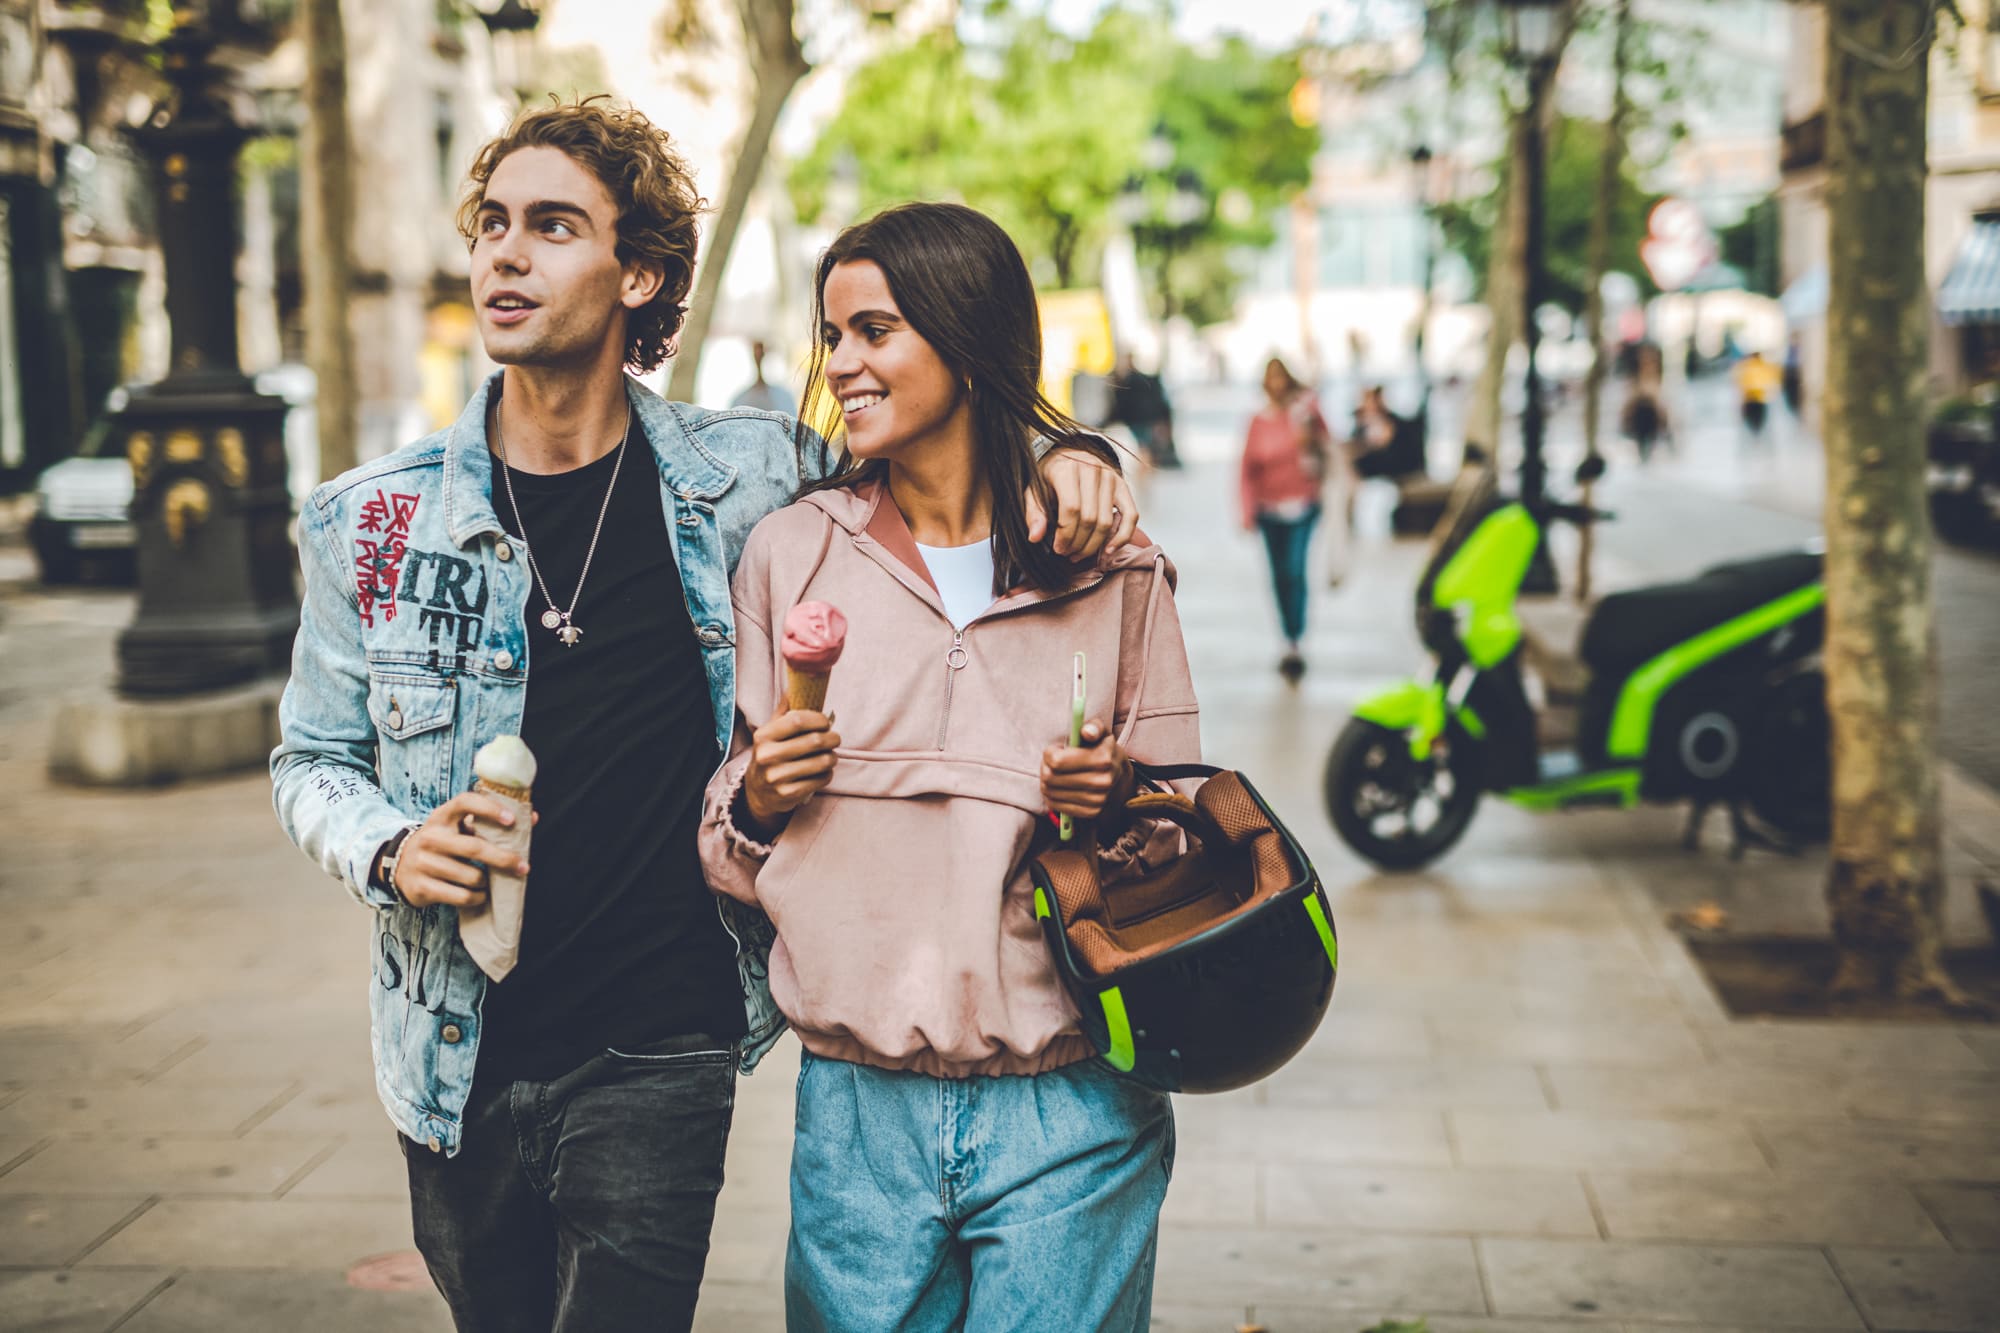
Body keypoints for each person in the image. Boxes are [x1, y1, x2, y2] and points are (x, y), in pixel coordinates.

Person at [269, 100, 1140, 1333]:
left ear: (640, 274)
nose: (503, 256)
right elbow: (310, 759)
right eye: (492, 225)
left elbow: (941, 451)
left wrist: (1077, 451)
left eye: (552, 226)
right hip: (450, 1047)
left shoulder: (755, 481)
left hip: (660, 1038)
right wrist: (389, 846)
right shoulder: (371, 521)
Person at [699, 201, 1200, 1332]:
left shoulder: (1112, 568)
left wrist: (1115, 796)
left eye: (873, 331)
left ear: (964, 338)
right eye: (832, 337)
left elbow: (1182, 835)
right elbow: (723, 841)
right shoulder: (792, 553)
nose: (841, 367)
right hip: (855, 1114)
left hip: (1072, 1104)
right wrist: (763, 796)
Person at [1241, 357, 1329, 680]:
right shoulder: (1258, 421)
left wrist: (1309, 414)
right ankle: (1287, 638)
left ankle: (1297, 636)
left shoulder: (1303, 412)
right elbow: (1246, 469)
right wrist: (1246, 510)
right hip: (1269, 510)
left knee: (1295, 570)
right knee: (1278, 576)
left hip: (1303, 505)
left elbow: (1327, 440)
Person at [1102, 351, 1180, 469]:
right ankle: (1144, 478)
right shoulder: (1128, 380)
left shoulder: (1130, 381)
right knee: (1144, 449)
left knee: (1143, 450)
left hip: (1138, 421)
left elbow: (1122, 405)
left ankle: (1144, 478)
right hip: (1140, 421)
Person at [731, 337, 796, 415]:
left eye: (760, 351)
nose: (758, 355)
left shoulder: (783, 397)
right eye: (756, 351)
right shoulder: (739, 400)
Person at [1736, 348, 1781, 439]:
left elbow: (1740, 382)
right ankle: (1756, 432)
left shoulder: (1746, 366)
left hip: (1753, 397)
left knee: (1754, 417)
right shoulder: (1755, 366)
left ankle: (1755, 432)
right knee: (1758, 417)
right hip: (1757, 398)